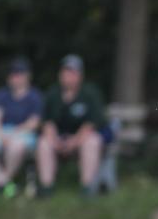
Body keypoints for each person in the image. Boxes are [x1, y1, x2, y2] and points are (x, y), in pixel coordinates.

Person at [36, 54, 108, 197]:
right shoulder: (52, 93)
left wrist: (74, 142)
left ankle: (87, 187)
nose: (68, 76)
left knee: (93, 142)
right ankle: (47, 186)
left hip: (82, 137)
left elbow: (92, 123)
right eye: (65, 72)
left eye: (72, 72)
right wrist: (55, 141)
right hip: (59, 138)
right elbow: (47, 122)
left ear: (80, 75)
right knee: (44, 143)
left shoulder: (90, 93)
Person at [0, 58, 43, 200]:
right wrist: (1, 135)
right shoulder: (2, 94)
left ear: (27, 76)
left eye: (18, 74)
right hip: (2, 131)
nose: (14, 77)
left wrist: (15, 133)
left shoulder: (35, 96)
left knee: (16, 146)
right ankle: (4, 184)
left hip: (24, 133)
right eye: (12, 74)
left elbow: (34, 123)